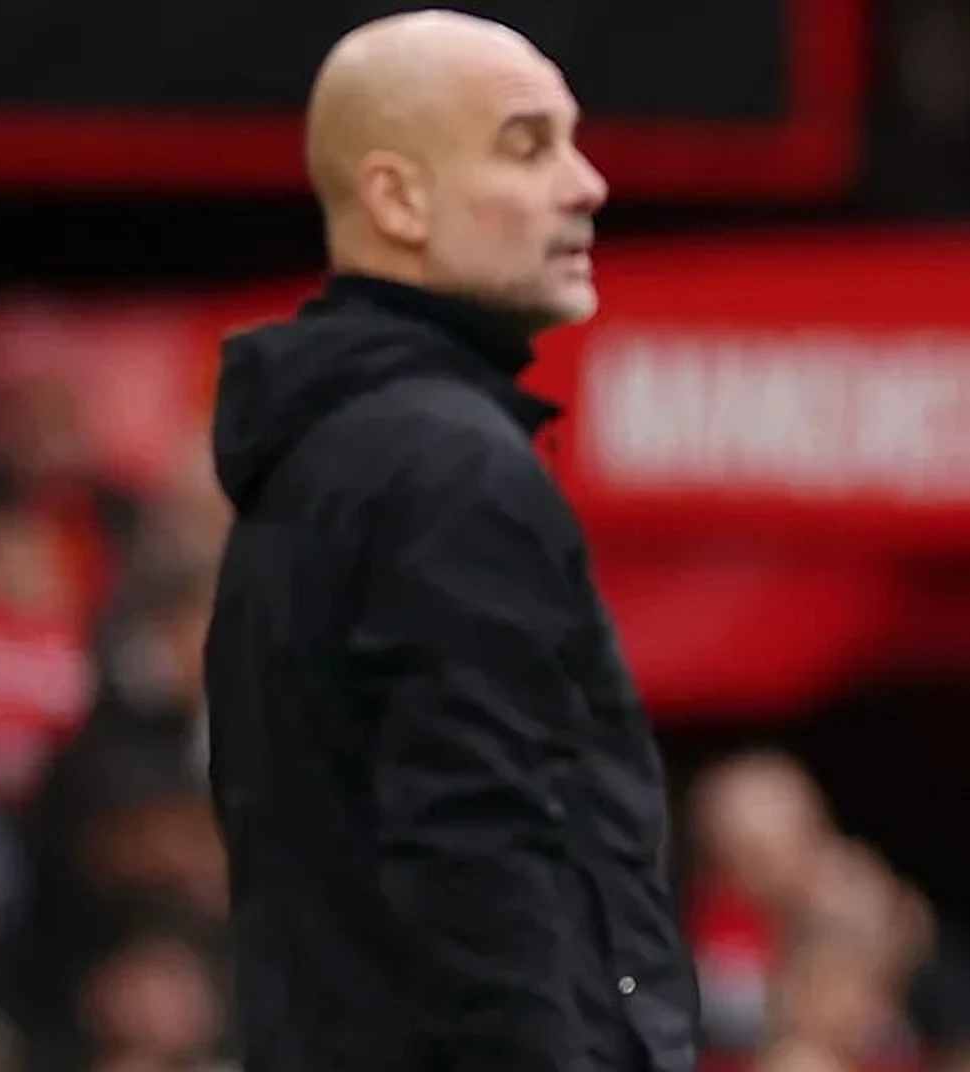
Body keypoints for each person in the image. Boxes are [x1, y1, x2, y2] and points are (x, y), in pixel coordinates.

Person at [201, 11, 697, 1072]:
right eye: (527, 146)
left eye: (574, 140)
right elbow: (483, 852)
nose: (587, 184)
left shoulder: (321, 454)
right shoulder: (449, 469)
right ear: (397, 198)